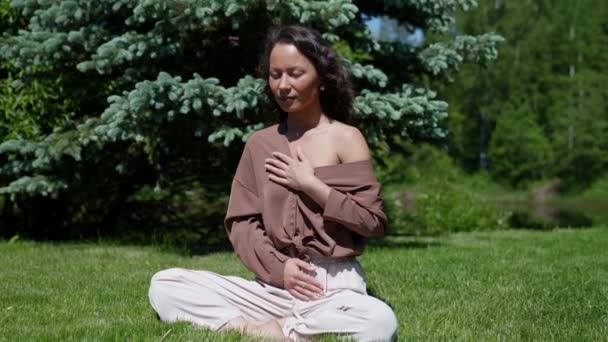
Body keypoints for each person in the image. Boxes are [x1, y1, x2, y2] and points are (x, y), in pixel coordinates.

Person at [148, 25, 398, 341]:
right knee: (165, 285)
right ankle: (256, 330)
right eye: (274, 74)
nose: (282, 85)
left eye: (295, 73)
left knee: (380, 321)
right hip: (272, 286)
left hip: (333, 289)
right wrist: (281, 269)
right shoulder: (260, 144)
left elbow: (373, 222)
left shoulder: (345, 139)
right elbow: (242, 224)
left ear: (321, 77)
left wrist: (312, 185)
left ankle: (286, 330)